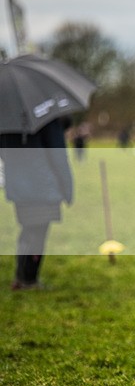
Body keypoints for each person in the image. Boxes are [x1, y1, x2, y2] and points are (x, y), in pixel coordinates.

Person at [0, 118, 73, 289]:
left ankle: (22, 276)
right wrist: (67, 187)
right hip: (42, 186)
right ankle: (28, 279)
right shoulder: (46, 117)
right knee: (37, 232)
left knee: (28, 229)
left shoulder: (8, 119)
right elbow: (58, 154)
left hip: (18, 185)